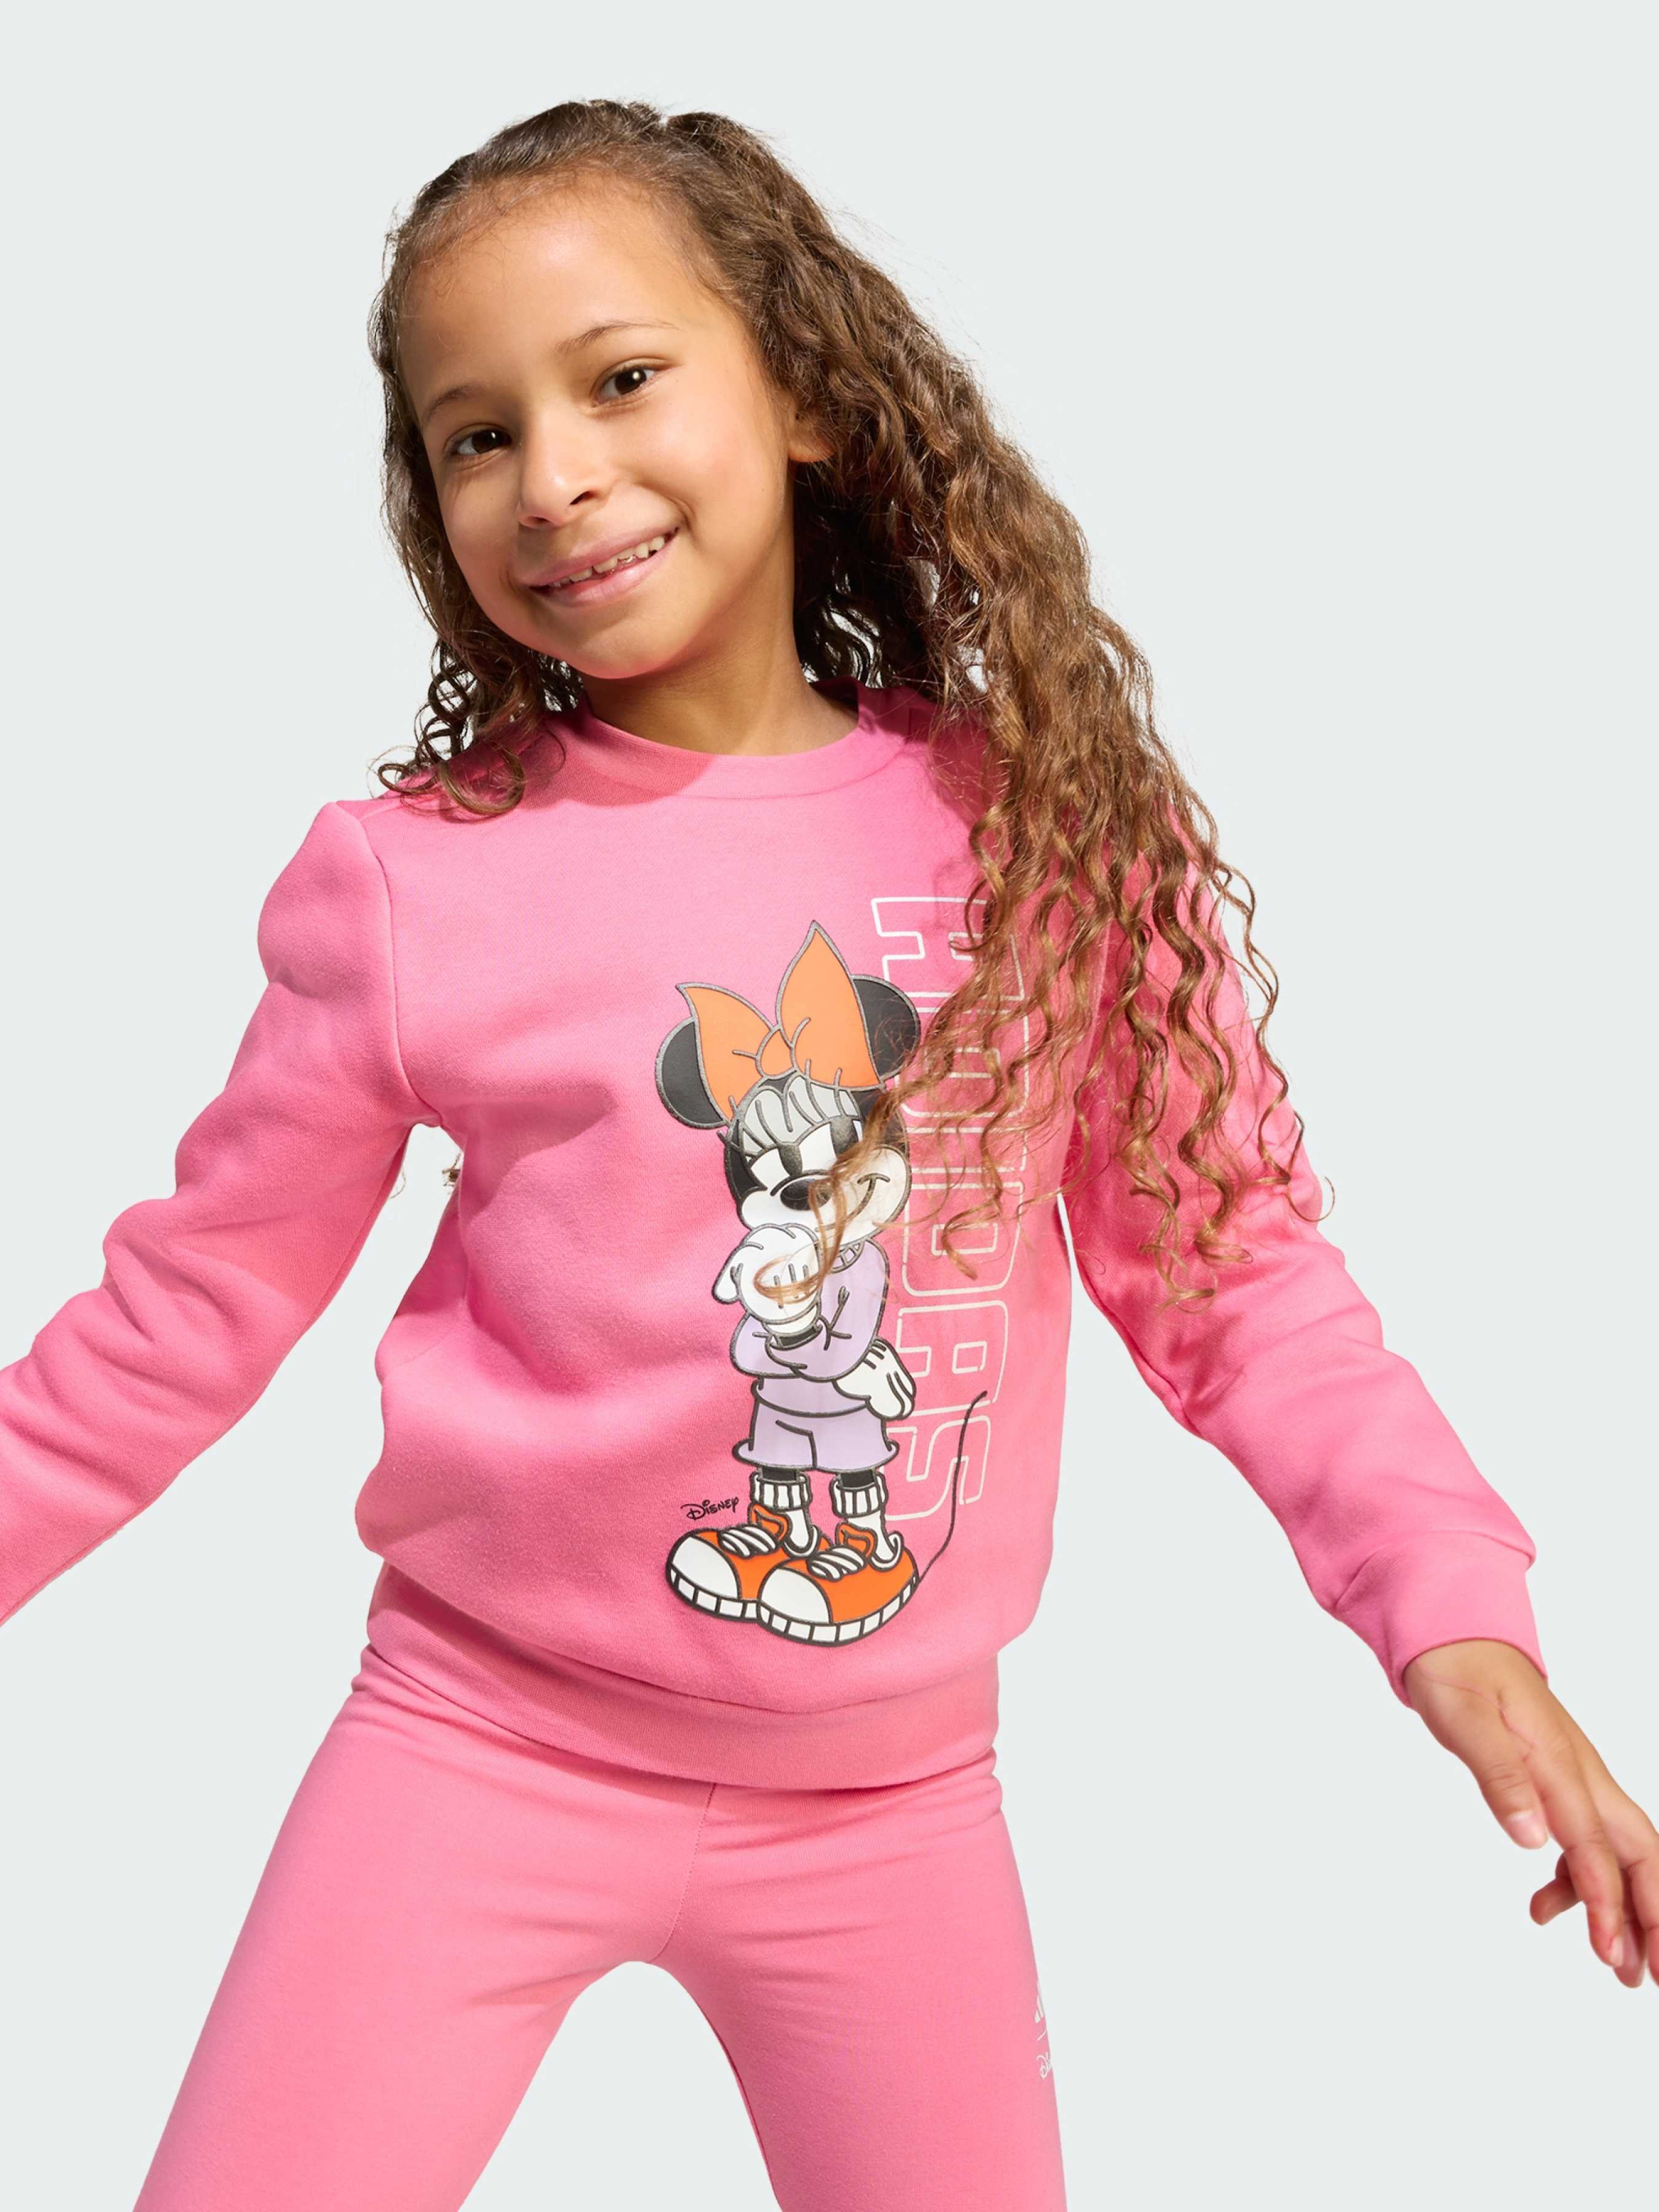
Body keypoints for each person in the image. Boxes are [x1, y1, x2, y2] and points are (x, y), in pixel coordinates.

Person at [2, 97, 1652, 2212]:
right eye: (476, 433)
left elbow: (1233, 1274)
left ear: (796, 392)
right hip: (473, 1749)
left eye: (619, 378)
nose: (553, 473)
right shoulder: (414, 884)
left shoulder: (1044, 825)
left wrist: (1458, 1616)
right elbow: (185, 1311)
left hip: (895, 1814)